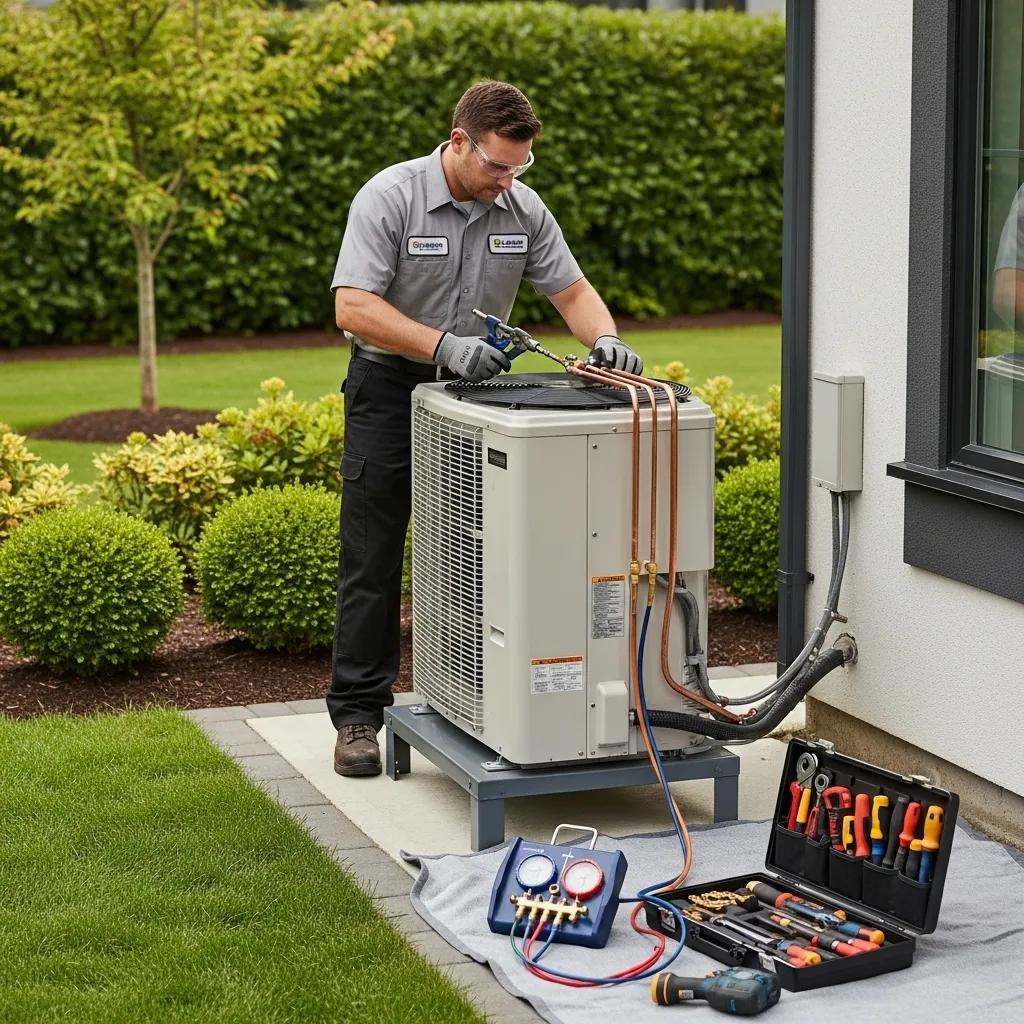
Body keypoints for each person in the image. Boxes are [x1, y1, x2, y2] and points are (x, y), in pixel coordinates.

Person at [327, 79, 641, 776]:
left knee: (476, 553)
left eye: (518, 168)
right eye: (497, 165)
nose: (507, 181)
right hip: (388, 389)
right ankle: (357, 717)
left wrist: (605, 339)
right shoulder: (391, 197)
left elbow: (572, 291)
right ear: (458, 140)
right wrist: (439, 346)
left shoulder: (521, 209)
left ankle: (470, 697)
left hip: (476, 400)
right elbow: (352, 305)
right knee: (373, 557)